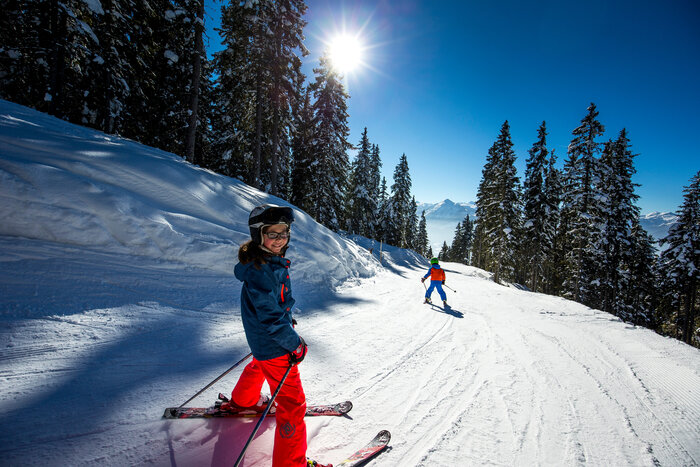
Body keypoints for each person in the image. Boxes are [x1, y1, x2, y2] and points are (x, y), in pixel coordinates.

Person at [223, 203, 319, 467]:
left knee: (258, 364)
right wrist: (294, 344)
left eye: (284, 232)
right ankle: (291, 464)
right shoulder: (262, 271)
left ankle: (243, 402)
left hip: (263, 342)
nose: (280, 239)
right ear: (259, 235)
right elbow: (270, 317)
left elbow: (272, 306)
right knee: (292, 404)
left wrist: (286, 318)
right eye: (272, 233)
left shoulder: (263, 263)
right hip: (275, 345)